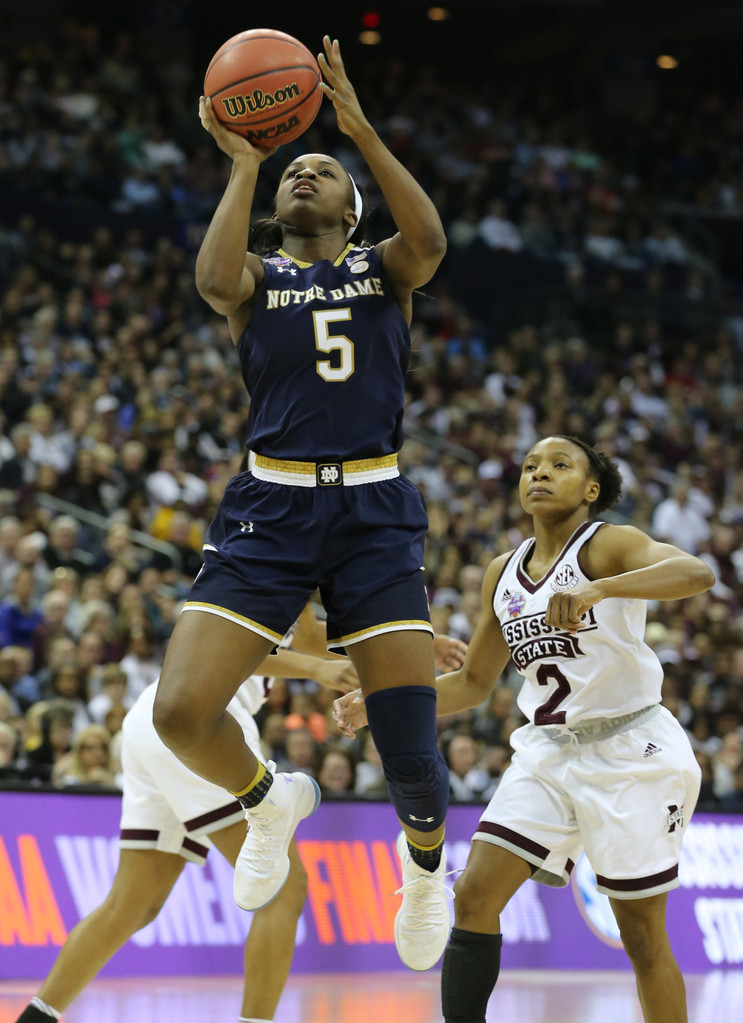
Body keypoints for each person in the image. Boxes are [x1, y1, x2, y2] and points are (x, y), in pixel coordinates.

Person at [152, 35, 452, 971]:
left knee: (407, 748)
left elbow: (431, 242)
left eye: (323, 171)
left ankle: (427, 868)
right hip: (270, 507)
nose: (306, 176)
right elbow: (210, 280)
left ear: (353, 205)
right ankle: (265, 799)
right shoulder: (256, 279)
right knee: (179, 713)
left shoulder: (384, 270)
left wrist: (357, 127)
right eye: (296, 171)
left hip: (372, 508)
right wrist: (244, 161)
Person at [335, 435, 715, 1019]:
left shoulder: (610, 544)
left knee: (641, 938)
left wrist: (601, 589)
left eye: (560, 466)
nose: (540, 474)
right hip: (545, 752)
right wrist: (384, 700)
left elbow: (696, 573)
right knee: (474, 896)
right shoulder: (501, 573)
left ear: (591, 489)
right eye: (531, 466)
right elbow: (474, 684)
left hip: (630, 750)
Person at [13, 620, 360, 1023]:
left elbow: (319, 637)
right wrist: (316, 669)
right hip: (205, 717)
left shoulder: (298, 582)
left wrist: (422, 647)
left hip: (156, 714)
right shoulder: (262, 563)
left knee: (132, 905)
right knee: (283, 889)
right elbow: (230, 649)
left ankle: (34, 1020)